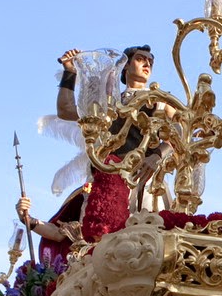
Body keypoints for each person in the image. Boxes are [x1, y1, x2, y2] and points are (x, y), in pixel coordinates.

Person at [55, 45, 171, 212]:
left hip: (141, 180)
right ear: (125, 66)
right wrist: (70, 72)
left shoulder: (158, 100)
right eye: (140, 59)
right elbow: (65, 109)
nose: (147, 63)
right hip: (105, 180)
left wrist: (158, 155)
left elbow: (181, 127)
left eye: (150, 61)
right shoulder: (108, 103)